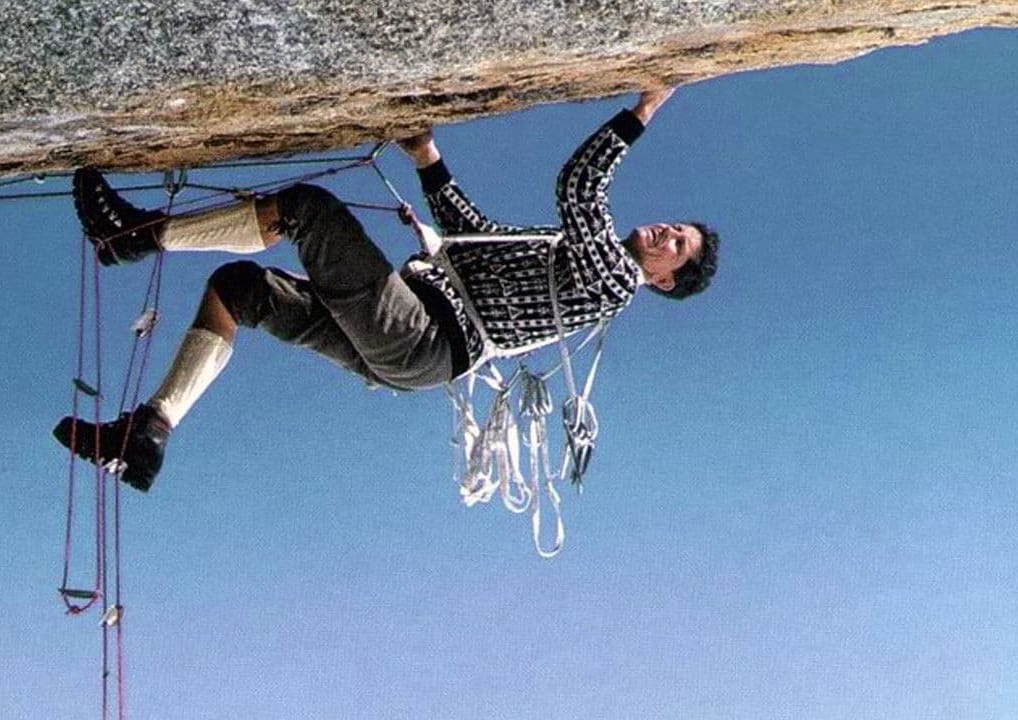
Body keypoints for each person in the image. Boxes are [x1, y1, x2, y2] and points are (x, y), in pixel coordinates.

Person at [53, 87, 720, 491]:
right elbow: (474, 236)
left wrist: (643, 109)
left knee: (308, 210)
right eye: (676, 228)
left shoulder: (613, 279)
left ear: (663, 280)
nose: (666, 232)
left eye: (677, 245)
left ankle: (132, 236)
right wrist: (428, 158)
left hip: (426, 338)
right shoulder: (576, 258)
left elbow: (578, 185)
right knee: (238, 290)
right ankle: (148, 435)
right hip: (413, 345)